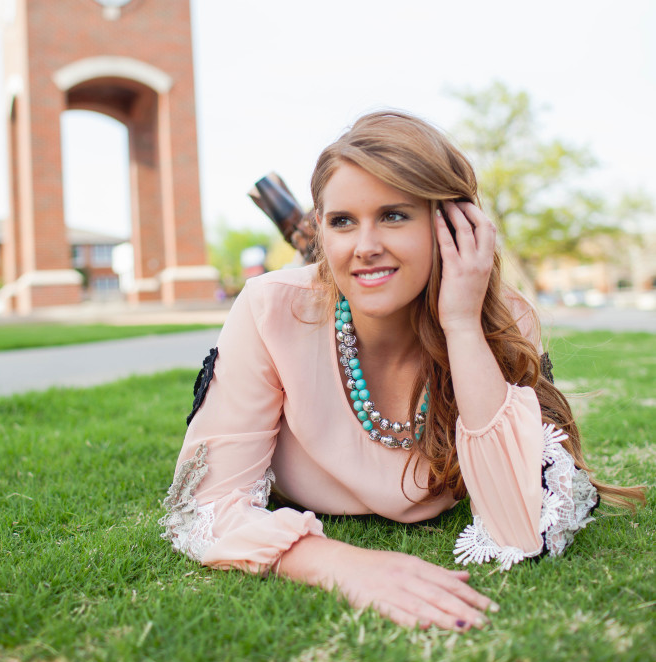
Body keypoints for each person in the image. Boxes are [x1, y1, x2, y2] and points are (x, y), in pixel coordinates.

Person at [160, 110, 642, 630]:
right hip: (316, 300)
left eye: (394, 215)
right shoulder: (269, 308)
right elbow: (203, 510)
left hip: (441, 301)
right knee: (333, 276)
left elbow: (522, 527)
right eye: (342, 220)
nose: (365, 244)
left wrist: (460, 323)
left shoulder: (504, 319)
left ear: (453, 223)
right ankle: (322, 237)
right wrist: (340, 563)